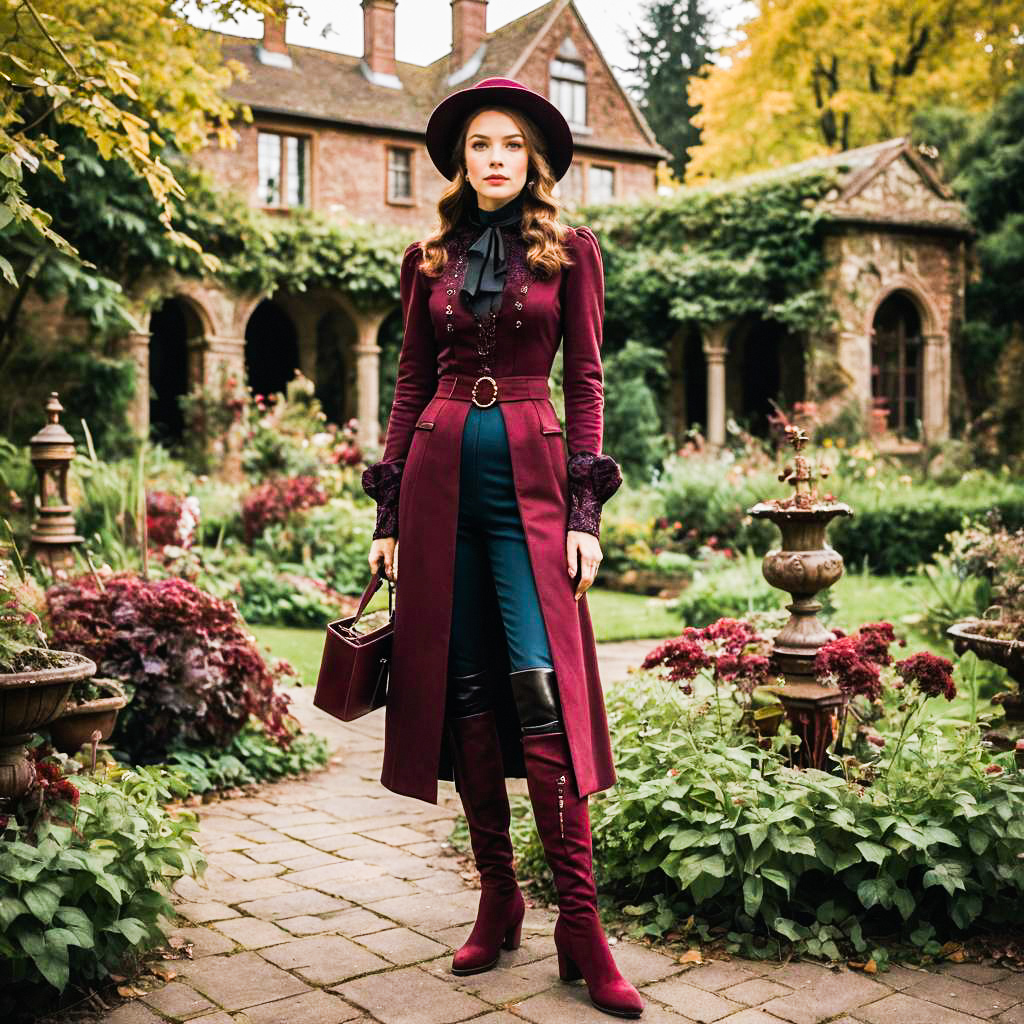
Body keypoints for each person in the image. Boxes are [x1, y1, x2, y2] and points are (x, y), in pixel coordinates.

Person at [361, 77, 642, 1020]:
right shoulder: (426, 259)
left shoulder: (572, 253)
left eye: (510, 146)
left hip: (532, 482)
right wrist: (388, 517)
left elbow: (590, 382)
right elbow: (407, 386)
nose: (493, 159)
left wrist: (584, 518)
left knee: (542, 690)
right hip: (439, 486)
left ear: (533, 162)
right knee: (467, 690)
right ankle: (498, 895)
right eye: (479, 144)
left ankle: (581, 925)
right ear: (459, 159)